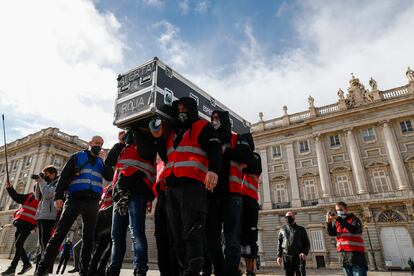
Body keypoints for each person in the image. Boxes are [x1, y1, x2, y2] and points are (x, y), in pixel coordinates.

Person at [151, 97, 222, 276]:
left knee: (193, 232)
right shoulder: (174, 132)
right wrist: (159, 139)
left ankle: (193, 271)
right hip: (172, 189)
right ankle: (185, 270)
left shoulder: (202, 126)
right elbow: (167, 157)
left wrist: (213, 171)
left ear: (191, 109)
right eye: (179, 109)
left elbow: (215, 149)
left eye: (184, 108)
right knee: (177, 235)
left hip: (193, 187)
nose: (181, 111)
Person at [35, 135, 114, 276]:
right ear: (90, 143)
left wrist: (105, 160)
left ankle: (84, 271)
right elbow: (64, 176)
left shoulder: (102, 162)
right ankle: (42, 269)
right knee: (59, 234)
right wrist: (58, 197)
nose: (99, 145)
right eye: (96, 143)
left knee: (88, 238)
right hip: (74, 199)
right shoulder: (77, 156)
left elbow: (109, 177)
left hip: (92, 202)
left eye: (101, 144)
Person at [206, 110, 253, 276]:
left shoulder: (236, 138)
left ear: (225, 120)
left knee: (232, 239)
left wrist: (225, 151)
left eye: (217, 118)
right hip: (212, 195)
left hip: (232, 195)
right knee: (211, 239)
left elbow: (248, 157)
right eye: (213, 118)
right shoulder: (210, 138)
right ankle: (220, 270)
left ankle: (230, 271)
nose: (215, 121)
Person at [105, 129, 157, 276]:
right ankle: (113, 269)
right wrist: (121, 142)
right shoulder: (124, 148)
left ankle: (140, 269)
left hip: (138, 191)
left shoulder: (148, 143)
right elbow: (109, 162)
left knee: (136, 232)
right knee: (116, 235)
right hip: (120, 194)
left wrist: (136, 130)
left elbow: (147, 153)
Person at [1, 181, 39, 276]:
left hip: (29, 225)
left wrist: (37, 226)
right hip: (20, 223)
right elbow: (17, 197)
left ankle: (12, 268)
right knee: (18, 245)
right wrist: (10, 188)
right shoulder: (29, 196)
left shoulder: (42, 200)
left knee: (18, 244)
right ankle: (26, 264)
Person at [240, 134, 262, 276]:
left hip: (250, 201)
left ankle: (250, 271)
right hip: (236, 200)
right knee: (234, 237)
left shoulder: (255, 157)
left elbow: (248, 165)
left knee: (250, 239)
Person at [327, 201, 368, 276]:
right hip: (343, 256)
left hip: (356, 255)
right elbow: (331, 233)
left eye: (340, 209)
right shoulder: (337, 223)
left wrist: (338, 218)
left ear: (346, 210)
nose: (338, 212)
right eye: (337, 210)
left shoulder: (354, 219)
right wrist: (329, 223)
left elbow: (354, 230)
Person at [153, 159, 179, 276]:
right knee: (161, 238)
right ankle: (164, 271)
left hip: (175, 196)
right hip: (161, 199)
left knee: (174, 237)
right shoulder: (159, 162)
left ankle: (174, 271)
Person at [34, 165, 59, 273]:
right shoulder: (46, 183)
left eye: (47, 175)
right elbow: (37, 197)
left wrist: (41, 181)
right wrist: (38, 182)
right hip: (41, 215)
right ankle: (41, 269)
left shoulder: (57, 183)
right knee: (42, 243)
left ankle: (44, 269)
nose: (45, 177)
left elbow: (47, 194)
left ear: (53, 174)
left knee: (46, 243)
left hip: (49, 216)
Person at [88, 184, 113, 276]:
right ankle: (100, 268)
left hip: (103, 219)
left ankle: (93, 268)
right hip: (110, 219)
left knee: (101, 247)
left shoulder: (106, 188)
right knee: (110, 246)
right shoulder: (113, 187)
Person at [277, 211, 310, 276]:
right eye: (286, 217)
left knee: (300, 274)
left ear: (294, 217)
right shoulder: (282, 229)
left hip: (298, 257)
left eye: (289, 217)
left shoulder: (301, 229)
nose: (287, 219)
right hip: (286, 257)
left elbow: (307, 243)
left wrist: (304, 252)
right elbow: (279, 243)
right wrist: (279, 256)